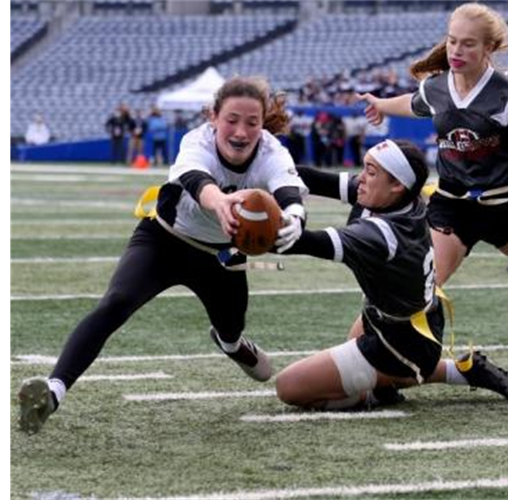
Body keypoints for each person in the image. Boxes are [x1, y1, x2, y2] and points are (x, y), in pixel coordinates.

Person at [18, 77, 309, 434]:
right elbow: (196, 179)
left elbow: (289, 191)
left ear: (263, 124)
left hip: (219, 256)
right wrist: (219, 202)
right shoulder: (195, 140)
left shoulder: (271, 152)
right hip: (164, 241)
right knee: (116, 302)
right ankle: (52, 393)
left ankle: (229, 343)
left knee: (232, 329)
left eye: (252, 122)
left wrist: (294, 217)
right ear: (213, 116)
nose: (241, 130)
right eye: (231, 119)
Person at [275, 139, 508, 410]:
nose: (360, 179)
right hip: (403, 320)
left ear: (397, 184)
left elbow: (301, 242)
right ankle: (463, 370)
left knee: (289, 387)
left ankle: (378, 392)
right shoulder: (395, 196)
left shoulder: (385, 234)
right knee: (354, 348)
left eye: (371, 172)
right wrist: (262, 171)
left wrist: (249, 228)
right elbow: (311, 178)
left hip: (402, 341)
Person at [358, 2, 508, 290]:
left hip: (504, 204)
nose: (456, 50)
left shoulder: (505, 95)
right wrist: (381, 105)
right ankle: (360, 338)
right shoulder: (437, 87)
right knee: (412, 289)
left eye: (468, 44)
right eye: (452, 41)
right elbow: (414, 103)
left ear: (488, 47)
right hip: (452, 207)